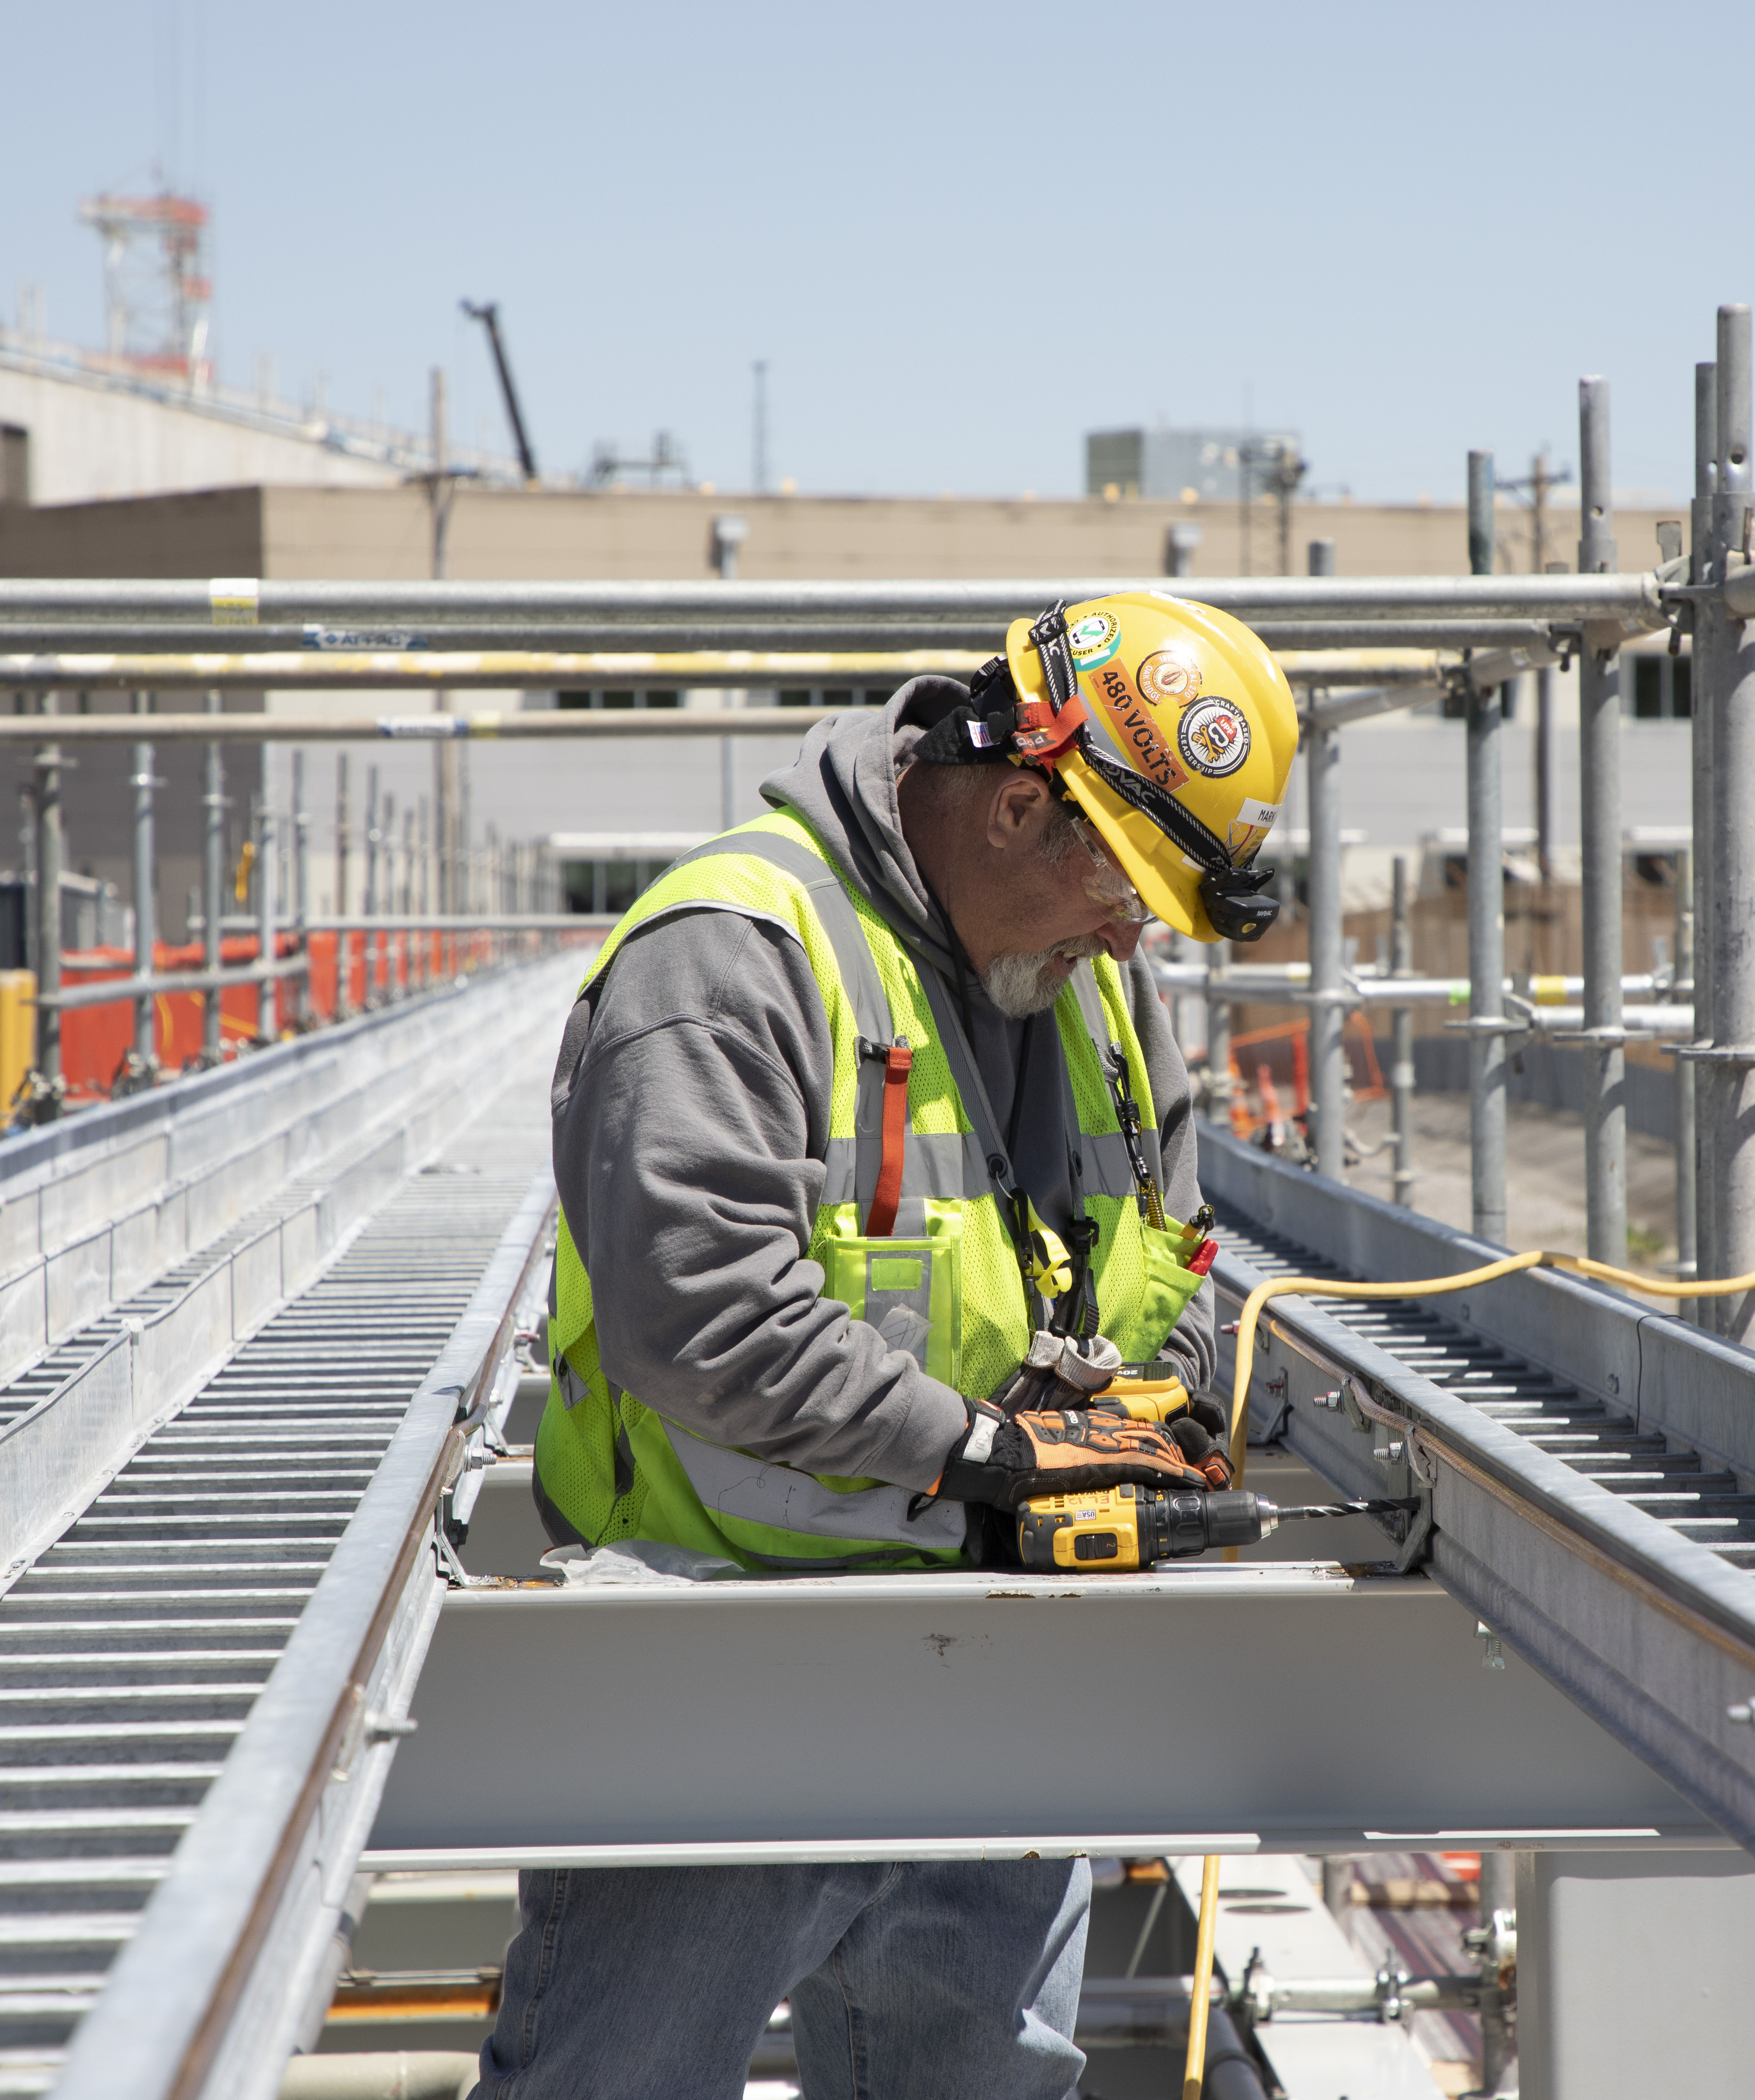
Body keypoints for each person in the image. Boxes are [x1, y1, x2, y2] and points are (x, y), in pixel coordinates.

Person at [479, 592, 1299, 2099]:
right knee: (620, 2079)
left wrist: (1154, 1404)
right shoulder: (734, 957)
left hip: (1001, 1674)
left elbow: (1169, 1243)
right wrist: (989, 1452)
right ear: (1014, 807)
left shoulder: (1096, 989)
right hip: (723, 1674)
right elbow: (703, 1311)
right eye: (1123, 890)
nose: (1132, 936)